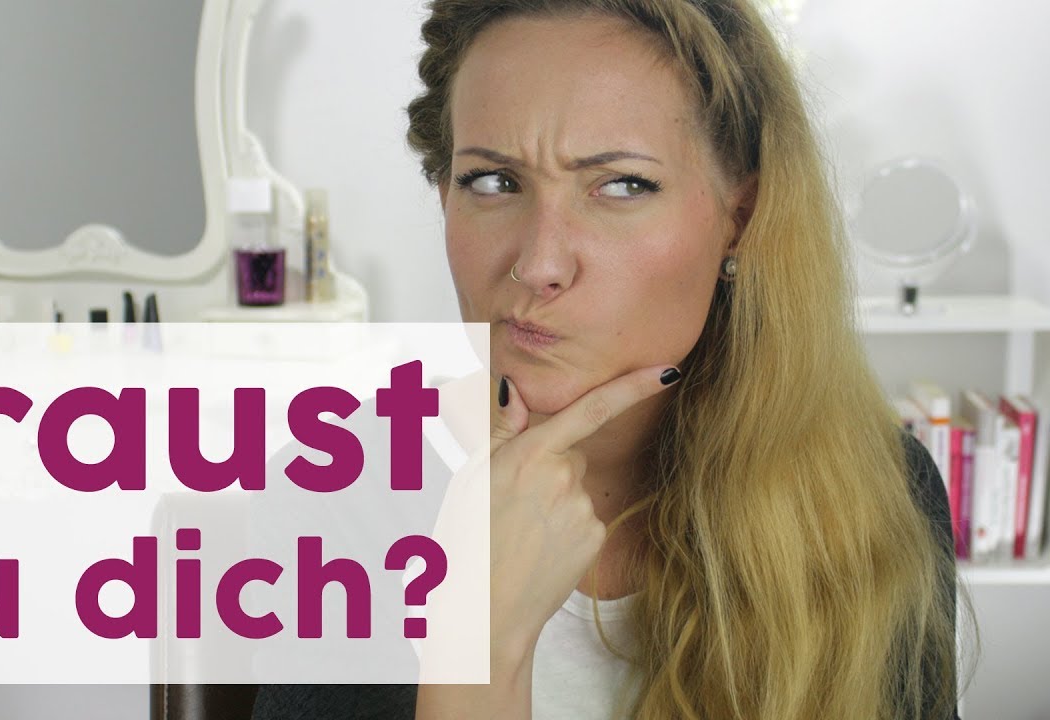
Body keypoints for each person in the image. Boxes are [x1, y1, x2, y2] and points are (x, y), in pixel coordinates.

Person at [250, 1, 963, 718]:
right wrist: (481, 639)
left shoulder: (880, 493)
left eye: (621, 185)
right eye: (492, 182)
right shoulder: (334, 498)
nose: (539, 264)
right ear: (445, 199)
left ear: (740, 218)